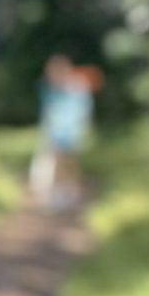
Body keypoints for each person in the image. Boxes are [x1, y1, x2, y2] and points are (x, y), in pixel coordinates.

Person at [31, 56, 101, 207]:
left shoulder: (77, 89)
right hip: (56, 134)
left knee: (69, 164)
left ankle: (68, 192)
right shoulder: (50, 90)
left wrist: (82, 129)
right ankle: (61, 193)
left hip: (71, 133)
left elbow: (83, 111)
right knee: (58, 163)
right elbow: (48, 112)